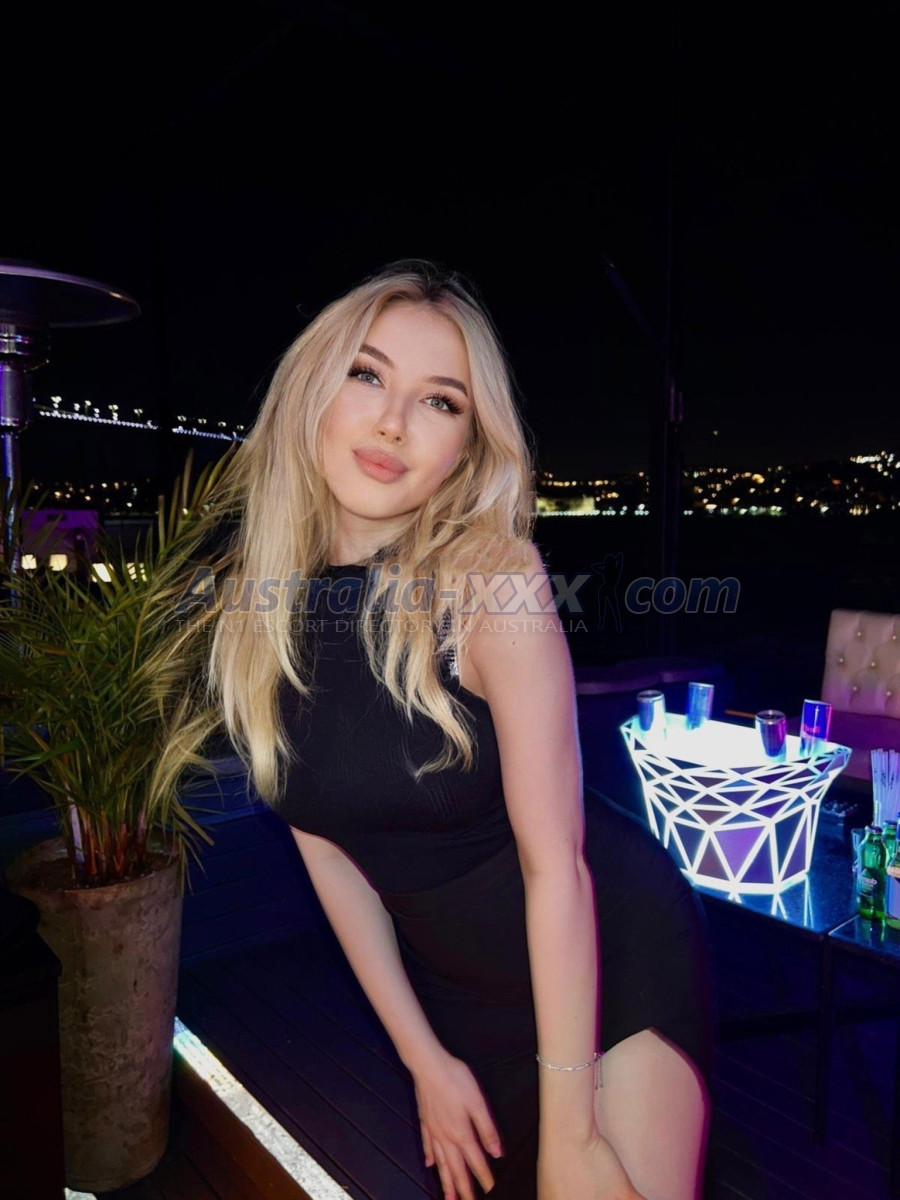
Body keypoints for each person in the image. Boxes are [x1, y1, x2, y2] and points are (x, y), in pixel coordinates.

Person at [158, 260, 716, 1200]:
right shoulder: (253, 609)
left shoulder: (493, 581)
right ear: (312, 391)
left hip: (603, 966)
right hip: (454, 999)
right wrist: (422, 1057)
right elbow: (331, 855)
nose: (393, 423)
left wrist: (573, 1133)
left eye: (440, 401)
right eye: (367, 375)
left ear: (467, 443)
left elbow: (557, 869)